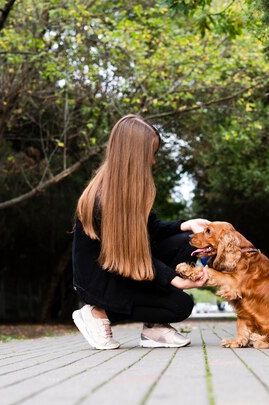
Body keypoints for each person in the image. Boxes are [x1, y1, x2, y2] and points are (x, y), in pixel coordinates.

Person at [72, 114, 209, 350]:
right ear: (135, 155)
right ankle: (95, 312)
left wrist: (185, 224)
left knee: (189, 241)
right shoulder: (103, 200)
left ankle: (154, 328)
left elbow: (150, 231)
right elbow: (131, 256)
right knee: (179, 305)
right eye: (151, 154)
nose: (154, 161)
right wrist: (176, 281)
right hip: (103, 281)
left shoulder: (130, 191)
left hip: (124, 269)